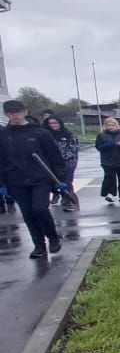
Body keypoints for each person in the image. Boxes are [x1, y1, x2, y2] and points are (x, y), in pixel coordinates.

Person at [0, 99, 69, 258]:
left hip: (40, 178)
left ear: (25, 112)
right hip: (16, 180)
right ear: (6, 114)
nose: (15, 115)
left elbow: (56, 157)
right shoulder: (3, 134)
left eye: (18, 112)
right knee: (28, 214)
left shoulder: (40, 133)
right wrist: (2, 183)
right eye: (11, 113)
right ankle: (39, 245)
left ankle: (53, 238)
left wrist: (62, 179)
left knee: (40, 208)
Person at [42, 115, 79, 210]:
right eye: (50, 123)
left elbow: (74, 148)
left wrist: (61, 158)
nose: (53, 125)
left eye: (55, 123)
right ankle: (56, 193)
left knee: (67, 182)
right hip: (51, 163)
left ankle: (69, 200)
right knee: (52, 181)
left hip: (68, 162)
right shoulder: (45, 135)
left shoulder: (68, 134)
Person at [95, 117, 120, 204]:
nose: (111, 127)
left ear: (117, 126)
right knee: (109, 178)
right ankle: (110, 194)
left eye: (113, 125)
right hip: (107, 161)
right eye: (109, 125)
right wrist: (109, 145)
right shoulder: (101, 135)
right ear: (105, 126)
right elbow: (98, 147)